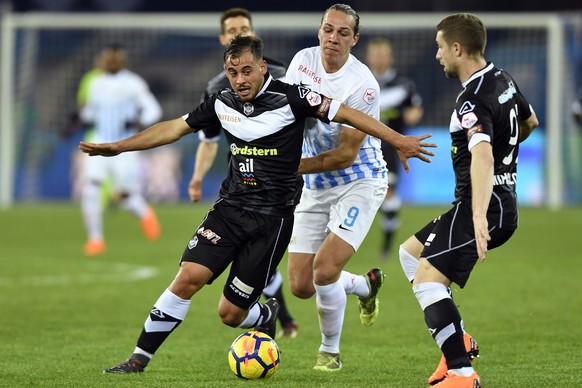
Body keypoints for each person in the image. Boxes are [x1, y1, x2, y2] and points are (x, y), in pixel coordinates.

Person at [79, 34, 435, 374]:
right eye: (233, 72)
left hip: (272, 222)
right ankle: (139, 358)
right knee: (187, 278)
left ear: (263, 67)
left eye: (246, 70)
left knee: (230, 315)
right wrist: (118, 146)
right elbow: (174, 128)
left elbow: (348, 114)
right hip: (229, 210)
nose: (239, 79)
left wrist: (397, 138)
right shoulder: (221, 102)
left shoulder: (294, 97)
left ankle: (264, 317)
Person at [283, 4, 428, 371]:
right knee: (300, 285)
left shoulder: (362, 84)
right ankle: (364, 286)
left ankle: (329, 353)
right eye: (328, 30)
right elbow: (289, 117)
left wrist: (288, 166)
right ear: (319, 31)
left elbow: (346, 155)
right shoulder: (302, 61)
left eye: (342, 33)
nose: (333, 38)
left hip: (359, 182)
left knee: (325, 270)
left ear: (354, 39)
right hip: (315, 186)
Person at [398, 13, 538, 387]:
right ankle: (456, 344)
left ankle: (462, 373)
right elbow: (530, 122)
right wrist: (505, 156)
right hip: (495, 202)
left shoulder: (471, 99)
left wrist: (478, 214)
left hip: (485, 208)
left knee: (427, 281)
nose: (438, 54)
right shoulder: (502, 79)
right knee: (409, 255)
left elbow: (483, 155)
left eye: (441, 47)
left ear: (458, 49)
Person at [188, 7, 298, 339]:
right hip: (246, 186)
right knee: (263, 254)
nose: (238, 34)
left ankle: (284, 315)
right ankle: (281, 318)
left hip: (292, 180)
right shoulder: (216, 89)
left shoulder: (283, 73)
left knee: (306, 271)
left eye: (244, 28)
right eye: (232, 30)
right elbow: (207, 141)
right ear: (223, 39)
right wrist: (196, 176)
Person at [79, 44, 162, 256]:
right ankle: (95, 241)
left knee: (123, 196)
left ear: (122, 60)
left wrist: (139, 120)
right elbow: (88, 113)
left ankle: (144, 213)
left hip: (125, 146)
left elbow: (154, 110)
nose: (111, 61)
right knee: (91, 189)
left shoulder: (133, 83)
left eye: (115, 58)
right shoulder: (95, 83)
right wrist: (83, 116)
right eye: (108, 57)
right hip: (99, 143)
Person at [365, 37, 424, 261]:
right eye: (375, 55)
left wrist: (413, 115)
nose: (379, 59)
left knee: (388, 194)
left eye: (383, 55)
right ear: (369, 58)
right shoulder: (361, 82)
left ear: (390, 58)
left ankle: (386, 247)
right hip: (360, 146)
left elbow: (415, 108)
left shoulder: (403, 84)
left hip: (390, 149)